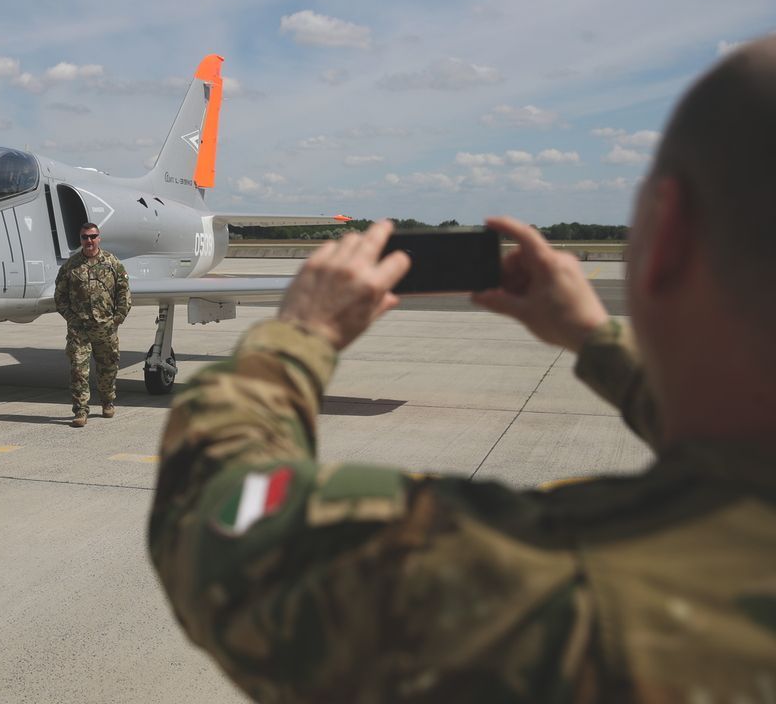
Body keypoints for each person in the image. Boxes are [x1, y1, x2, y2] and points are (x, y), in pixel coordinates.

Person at [149, 35, 776, 702]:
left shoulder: (553, 590)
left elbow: (216, 528)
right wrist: (594, 338)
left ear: (666, 234)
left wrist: (301, 333)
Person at [54, 222, 132, 428]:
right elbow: (59, 296)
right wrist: (71, 318)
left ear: (99, 238)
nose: (89, 241)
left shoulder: (112, 263)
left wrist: (118, 317)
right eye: (85, 237)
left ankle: (107, 401)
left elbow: (124, 291)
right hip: (79, 329)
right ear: (80, 240)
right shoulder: (71, 266)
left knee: (108, 368)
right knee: (78, 370)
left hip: (106, 327)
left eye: (92, 236)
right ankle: (81, 410)